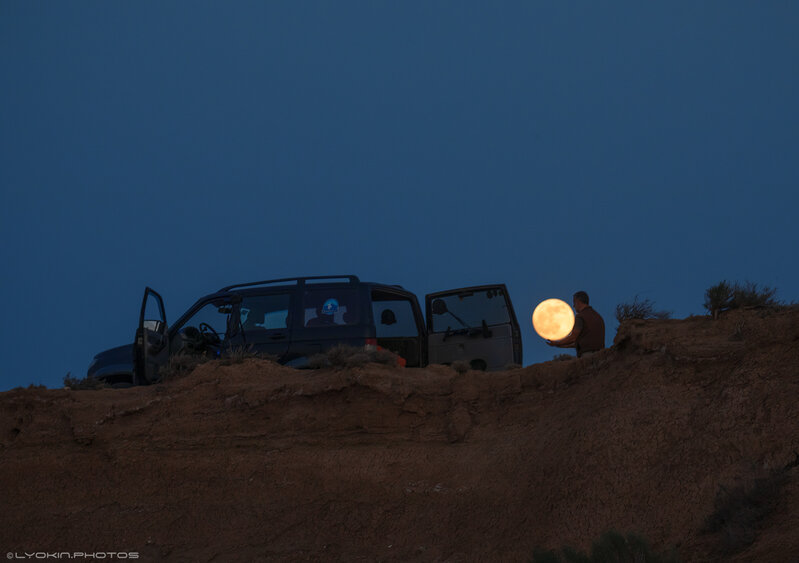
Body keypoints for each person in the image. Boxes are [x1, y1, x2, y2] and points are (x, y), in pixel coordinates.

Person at [547, 291, 605, 357]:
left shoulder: (580, 316)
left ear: (578, 301)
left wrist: (557, 343)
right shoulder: (597, 316)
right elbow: (580, 342)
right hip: (601, 356)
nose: (573, 306)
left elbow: (573, 337)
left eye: (574, 302)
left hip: (587, 356)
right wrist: (559, 345)